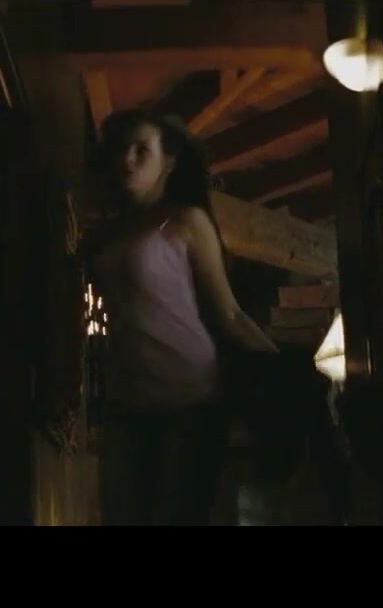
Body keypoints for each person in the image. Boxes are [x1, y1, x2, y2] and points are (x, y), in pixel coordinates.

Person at [82, 109, 279, 525]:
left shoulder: (187, 221)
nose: (128, 159)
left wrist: (283, 370)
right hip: (126, 403)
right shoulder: (108, 233)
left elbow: (228, 312)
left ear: (168, 161)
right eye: (122, 149)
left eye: (142, 150)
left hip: (190, 401)